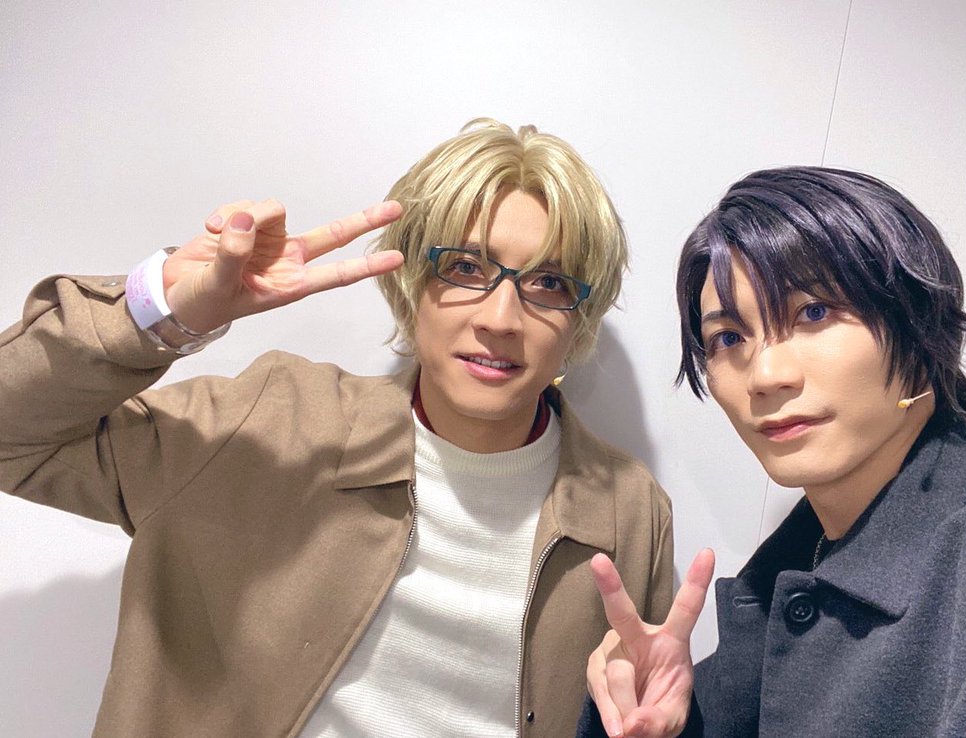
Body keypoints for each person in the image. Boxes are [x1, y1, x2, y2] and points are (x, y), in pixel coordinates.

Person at [0, 119, 674, 738]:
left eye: (550, 283)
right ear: (411, 283)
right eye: (465, 267)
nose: (500, 318)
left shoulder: (627, 510)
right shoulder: (271, 422)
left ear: (579, 320)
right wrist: (164, 310)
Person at [578, 167, 966, 737]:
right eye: (728, 338)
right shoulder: (785, 582)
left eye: (814, 312)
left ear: (918, 324)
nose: (765, 375)